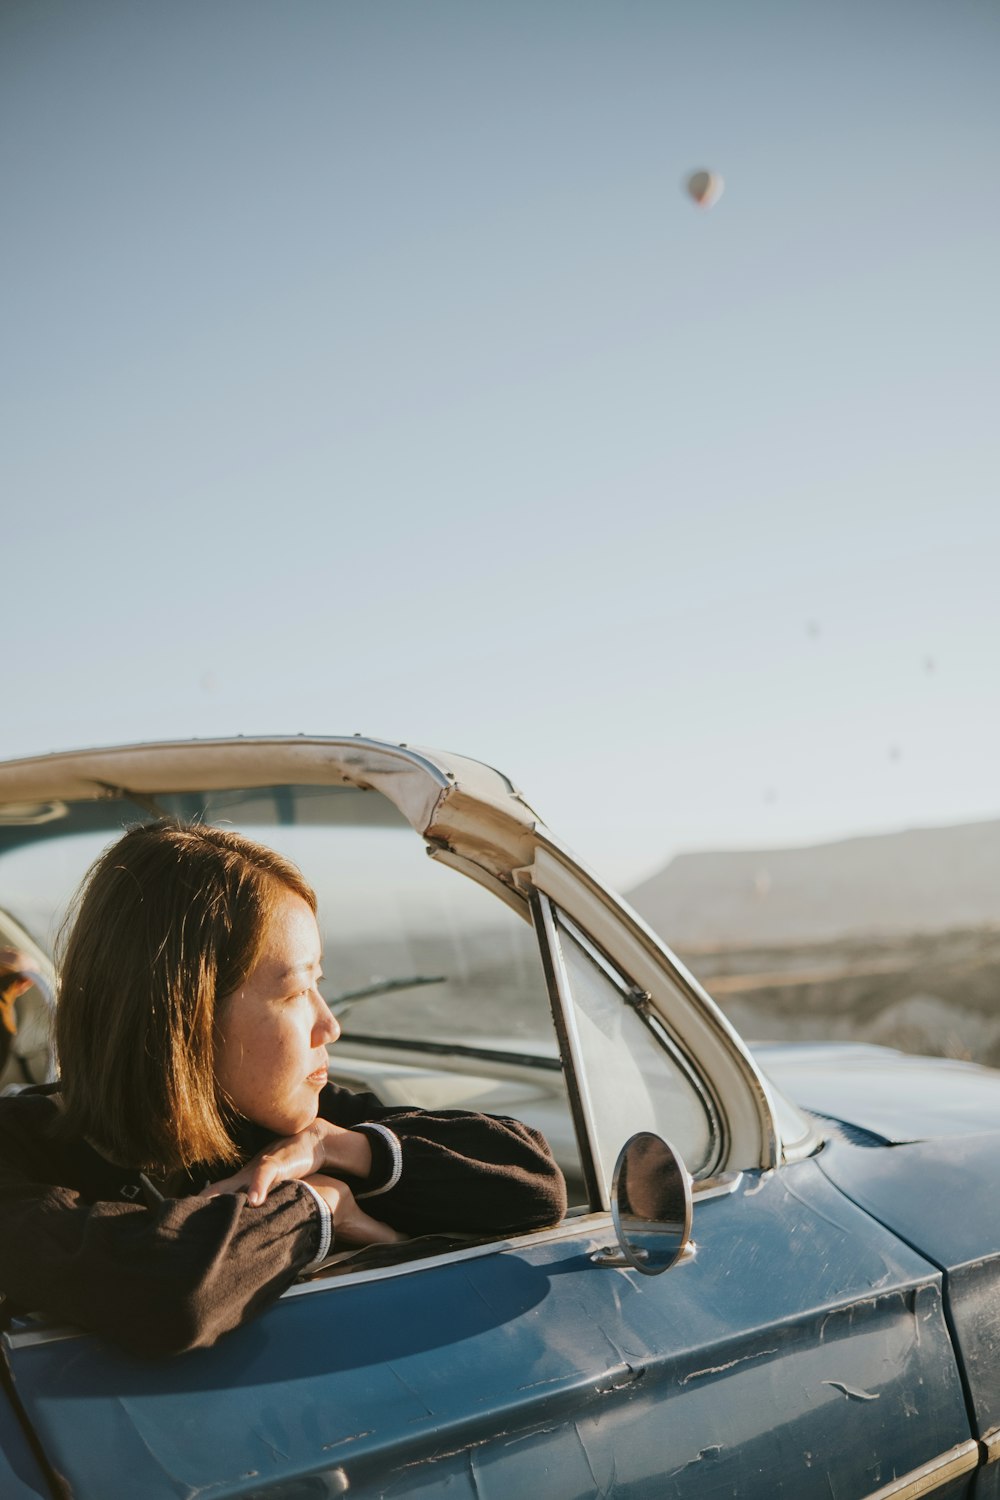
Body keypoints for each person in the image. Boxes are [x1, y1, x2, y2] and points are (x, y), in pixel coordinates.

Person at [0, 823, 567, 1358]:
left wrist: (338, 1148)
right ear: (185, 1015)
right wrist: (320, 1205)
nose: (329, 1025)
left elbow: (534, 1184)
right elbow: (166, 1291)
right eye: (297, 992)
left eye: (320, 985)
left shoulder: (275, 1122)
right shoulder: (17, 1151)